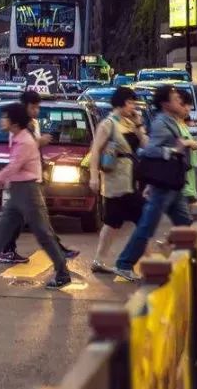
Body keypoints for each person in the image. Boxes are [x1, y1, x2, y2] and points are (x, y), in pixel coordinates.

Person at [0, 103, 72, 289]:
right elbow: (15, 168)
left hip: (29, 192)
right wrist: (7, 182)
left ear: (14, 122)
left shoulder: (25, 141)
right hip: (17, 190)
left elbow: (13, 167)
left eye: (5, 117)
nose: (1, 120)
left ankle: (62, 272)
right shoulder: (16, 136)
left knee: (43, 233)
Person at [113, 85, 197, 281]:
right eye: (176, 99)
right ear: (166, 104)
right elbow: (149, 150)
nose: (180, 103)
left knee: (185, 224)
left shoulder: (171, 120)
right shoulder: (161, 123)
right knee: (147, 226)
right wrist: (175, 149)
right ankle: (124, 263)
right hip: (164, 184)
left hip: (172, 184)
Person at [0, 90, 79, 263]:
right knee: (37, 222)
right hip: (23, 181)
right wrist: (39, 142)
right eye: (33, 107)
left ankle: (7, 250)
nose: (37, 111)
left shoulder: (33, 123)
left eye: (37, 107)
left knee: (24, 220)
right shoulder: (17, 126)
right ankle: (58, 253)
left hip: (32, 178)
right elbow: (19, 152)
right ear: (25, 106)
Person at [88, 86, 147, 274]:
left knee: (113, 222)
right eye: (130, 103)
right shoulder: (108, 124)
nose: (133, 107)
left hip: (130, 178)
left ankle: (100, 259)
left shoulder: (130, 123)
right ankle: (129, 260)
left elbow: (146, 144)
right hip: (116, 180)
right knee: (144, 218)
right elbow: (96, 150)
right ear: (121, 103)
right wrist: (93, 175)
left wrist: (138, 125)